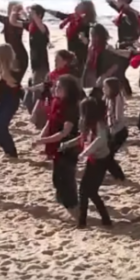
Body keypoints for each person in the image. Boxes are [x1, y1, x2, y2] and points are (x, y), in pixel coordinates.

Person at [35, 74, 83, 218]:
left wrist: (43, 141)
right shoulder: (56, 102)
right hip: (56, 145)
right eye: (55, 86)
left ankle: (73, 206)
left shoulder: (71, 107)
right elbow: (50, 121)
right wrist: (42, 136)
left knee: (67, 177)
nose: (55, 89)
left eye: (59, 87)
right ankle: (62, 199)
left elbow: (64, 132)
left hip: (69, 146)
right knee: (57, 177)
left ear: (68, 90)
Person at [65, 95, 113, 228]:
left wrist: (85, 153)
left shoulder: (99, 124)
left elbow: (99, 140)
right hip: (94, 160)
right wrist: (67, 144)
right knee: (89, 191)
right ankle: (102, 220)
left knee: (87, 191)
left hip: (100, 161)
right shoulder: (89, 124)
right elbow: (83, 137)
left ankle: (84, 222)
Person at [0, 43, 25, 158]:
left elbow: (14, 83)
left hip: (11, 101)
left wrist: (5, 74)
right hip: (2, 100)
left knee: (1, 125)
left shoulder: (14, 66)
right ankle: (7, 149)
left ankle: (11, 151)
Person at [47, 0, 95, 78]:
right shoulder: (73, 17)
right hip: (71, 52)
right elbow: (60, 15)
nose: (76, 6)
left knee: (76, 77)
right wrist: (46, 10)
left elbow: (88, 42)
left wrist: (83, 38)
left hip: (80, 56)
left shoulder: (85, 23)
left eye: (79, 5)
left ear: (84, 10)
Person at [0, 0, 29, 76]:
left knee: (13, 76)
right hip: (9, 52)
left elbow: (29, 23)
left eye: (10, 8)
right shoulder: (6, 20)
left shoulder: (20, 22)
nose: (8, 10)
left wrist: (25, 14)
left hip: (18, 53)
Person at [80, 25, 129, 96]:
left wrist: (104, 76)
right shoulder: (92, 47)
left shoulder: (106, 49)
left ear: (99, 36)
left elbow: (116, 65)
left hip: (108, 81)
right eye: (91, 35)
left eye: (93, 36)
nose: (91, 38)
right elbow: (89, 63)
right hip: (95, 78)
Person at [100, 77, 128, 181]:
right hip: (112, 131)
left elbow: (117, 117)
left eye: (105, 87)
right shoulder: (107, 97)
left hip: (119, 132)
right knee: (106, 155)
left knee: (107, 156)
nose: (103, 89)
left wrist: (109, 127)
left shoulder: (117, 98)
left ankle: (119, 176)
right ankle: (117, 175)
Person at [27, 5, 51, 85]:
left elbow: (40, 25)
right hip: (34, 60)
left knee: (39, 84)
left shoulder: (42, 27)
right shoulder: (31, 26)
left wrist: (33, 13)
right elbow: (14, 22)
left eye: (32, 13)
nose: (30, 15)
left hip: (41, 62)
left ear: (39, 15)